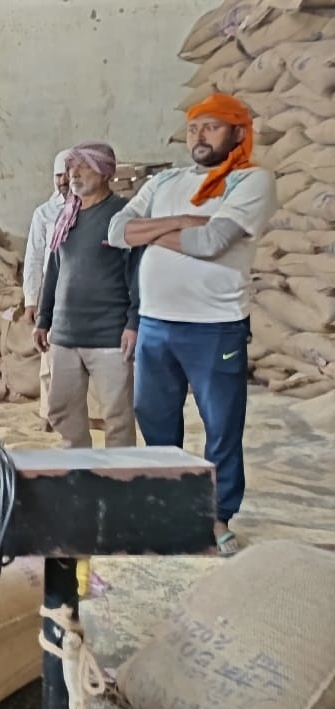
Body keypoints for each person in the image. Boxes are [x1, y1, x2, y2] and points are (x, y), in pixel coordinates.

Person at [107, 92, 279, 557]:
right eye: (193, 128)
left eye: (212, 127)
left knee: (221, 426)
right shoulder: (165, 181)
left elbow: (211, 243)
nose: (199, 137)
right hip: (155, 324)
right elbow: (116, 232)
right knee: (155, 420)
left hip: (214, 326)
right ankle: (171, 509)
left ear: (238, 133)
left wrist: (151, 233)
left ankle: (216, 515)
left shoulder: (251, 180)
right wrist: (184, 221)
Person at [33, 142, 139, 449]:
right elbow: (54, 270)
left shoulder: (122, 215)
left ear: (105, 172)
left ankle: (119, 473)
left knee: (117, 416)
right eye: (71, 168)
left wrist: (133, 323)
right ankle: (79, 469)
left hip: (109, 335)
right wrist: (44, 319)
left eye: (83, 167)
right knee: (62, 411)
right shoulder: (67, 215)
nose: (74, 174)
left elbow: (137, 273)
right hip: (65, 333)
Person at [22, 149, 72, 427]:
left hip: (85, 292)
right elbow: (34, 257)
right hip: (53, 293)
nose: (63, 180)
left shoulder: (92, 211)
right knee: (49, 356)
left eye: (68, 174)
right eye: (58, 175)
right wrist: (31, 299)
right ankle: (48, 414)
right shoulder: (44, 213)